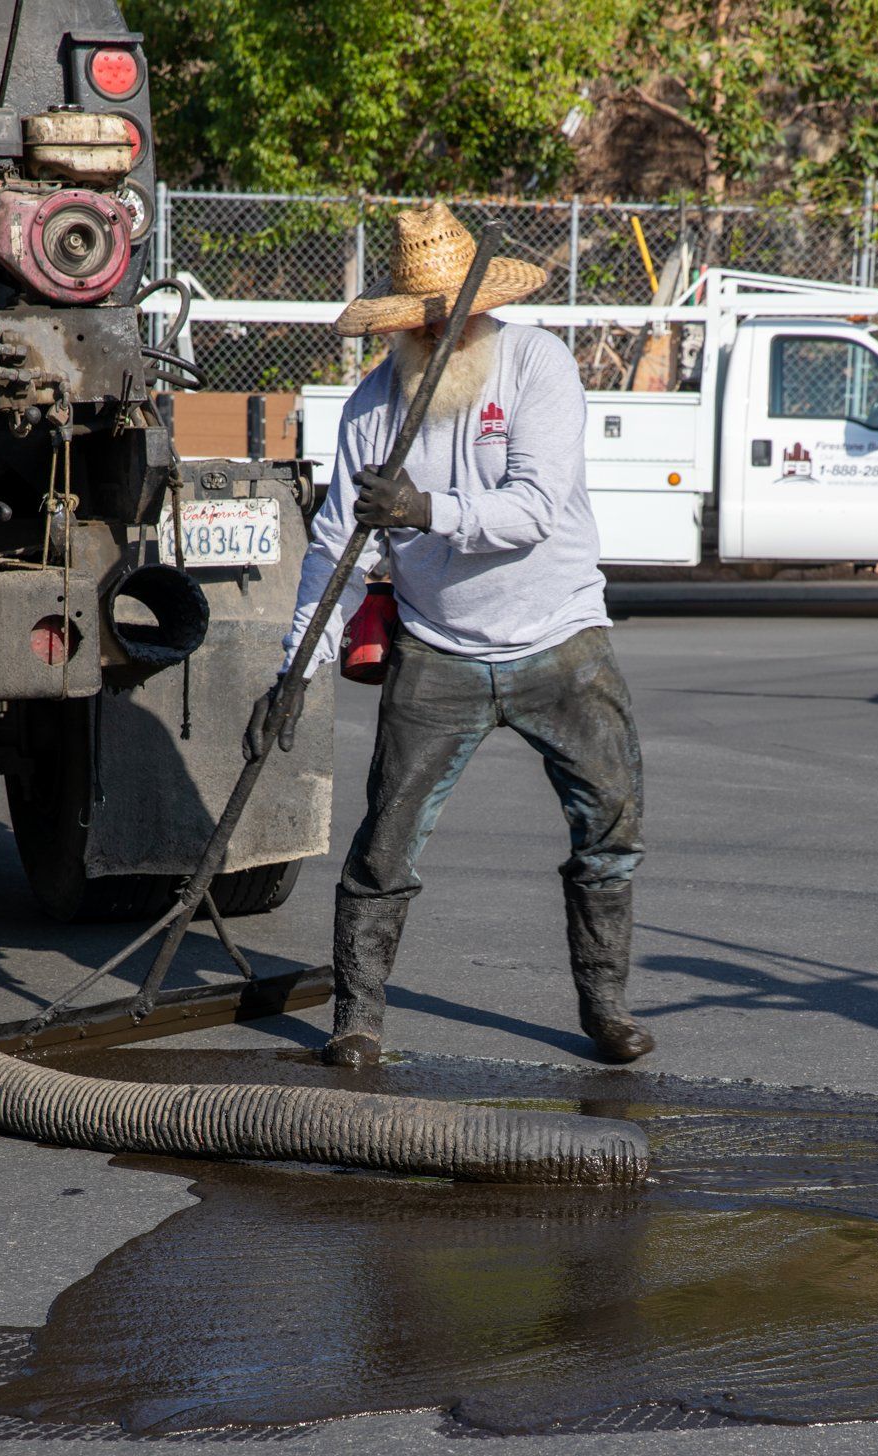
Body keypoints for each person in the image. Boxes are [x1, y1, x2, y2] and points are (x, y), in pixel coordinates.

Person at [251, 202, 652, 1070]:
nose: (437, 337)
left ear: (481, 311)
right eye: (420, 326)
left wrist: (428, 509)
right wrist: (297, 671)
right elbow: (335, 553)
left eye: (450, 320)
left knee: (610, 824)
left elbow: (537, 509)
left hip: (562, 641)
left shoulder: (537, 366)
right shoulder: (373, 409)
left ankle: (607, 1007)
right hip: (438, 649)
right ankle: (357, 1018)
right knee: (386, 838)